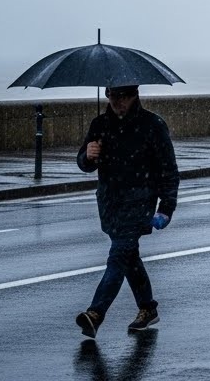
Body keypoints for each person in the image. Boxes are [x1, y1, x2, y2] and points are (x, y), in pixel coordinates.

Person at [75, 84, 179, 338]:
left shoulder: (153, 125)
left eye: (122, 96)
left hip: (139, 202)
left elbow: (168, 170)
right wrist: (88, 156)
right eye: (112, 96)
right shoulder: (99, 124)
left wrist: (166, 208)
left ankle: (96, 313)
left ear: (134, 95)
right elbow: (84, 164)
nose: (116, 102)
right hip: (110, 203)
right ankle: (147, 308)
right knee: (129, 257)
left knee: (118, 256)